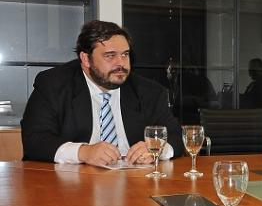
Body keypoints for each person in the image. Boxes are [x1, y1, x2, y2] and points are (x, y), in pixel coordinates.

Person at [21, 20, 184, 166]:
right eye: (110, 55)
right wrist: (84, 152)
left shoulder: (149, 92)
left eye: (125, 55)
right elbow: (35, 140)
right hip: (72, 185)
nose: (121, 63)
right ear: (85, 59)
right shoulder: (54, 85)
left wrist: (157, 149)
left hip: (135, 183)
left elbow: (176, 136)